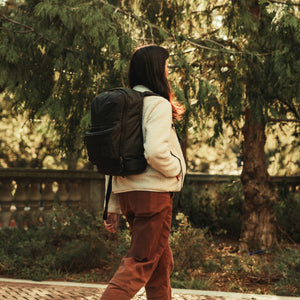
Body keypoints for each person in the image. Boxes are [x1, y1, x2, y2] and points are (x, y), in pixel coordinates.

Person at [100, 45, 186, 300]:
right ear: (156, 70)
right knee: (139, 263)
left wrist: (112, 206)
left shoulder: (120, 104)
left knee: (160, 265)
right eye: (166, 67)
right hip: (153, 196)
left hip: (128, 195)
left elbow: (110, 159)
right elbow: (155, 152)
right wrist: (178, 169)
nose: (168, 71)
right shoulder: (156, 104)